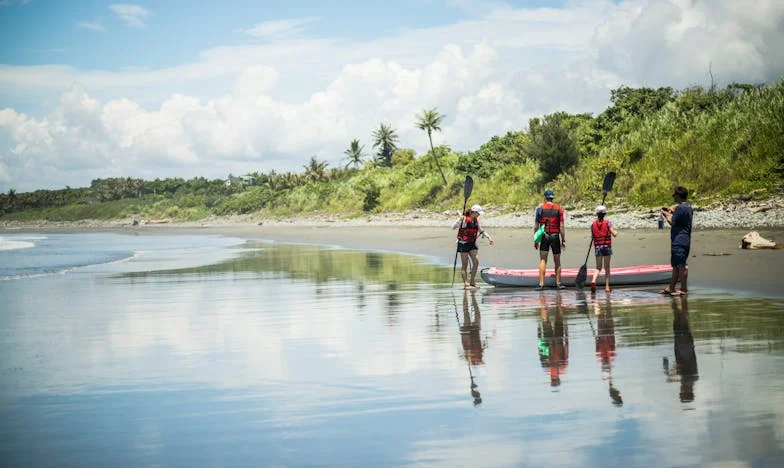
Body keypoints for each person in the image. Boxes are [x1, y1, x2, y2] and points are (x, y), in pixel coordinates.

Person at [452, 204, 494, 289]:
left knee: (476, 262)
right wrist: (458, 220)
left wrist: (489, 237)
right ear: (473, 212)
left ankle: (472, 281)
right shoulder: (464, 220)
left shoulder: (475, 220)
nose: (479, 215)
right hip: (463, 244)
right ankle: (465, 283)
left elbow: (481, 230)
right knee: (465, 264)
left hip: (472, 243)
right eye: (478, 213)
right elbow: (452, 227)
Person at [660, 186, 693, 296]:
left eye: (674, 195)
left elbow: (672, 222)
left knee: (681, 265)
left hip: (679, 240)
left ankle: (683, 289)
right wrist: (671, 210)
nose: (673, 196)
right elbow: (679, 212)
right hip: (684, 240)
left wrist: (666, 215)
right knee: (675, 265)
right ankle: (672, 287)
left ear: (678, 196)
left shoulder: (680, 209)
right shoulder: (688, 207)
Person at [534, 189, 566, 290]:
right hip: (555, 236)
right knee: (557, 260)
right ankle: (558, 283)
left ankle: (541, 284)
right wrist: (563, 240)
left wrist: (536, 240)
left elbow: (536, 226)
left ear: (545, 198)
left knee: (543, 260)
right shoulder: (559, 209)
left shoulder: (540, 209)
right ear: (552, 198)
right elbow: (561, 226)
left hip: (544, 236)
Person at [589, 205, 619, 293]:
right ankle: (607, 287)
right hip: (606, 247)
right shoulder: (608, 223)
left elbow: (592, 236)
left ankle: (594, 280)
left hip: (598, 247)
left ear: (597, 214)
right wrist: (616, 232)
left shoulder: (592, 224)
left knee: (598, 267)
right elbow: (614, 233)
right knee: (607, 267)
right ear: (604, 214)